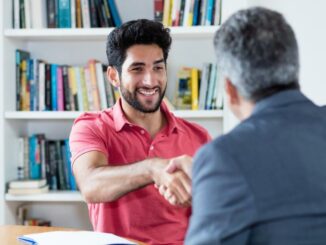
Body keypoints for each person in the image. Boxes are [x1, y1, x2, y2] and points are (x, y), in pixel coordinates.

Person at [165, 7, 326, 244]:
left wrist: (213, 177)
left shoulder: (224, 158)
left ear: (229, 89)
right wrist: (207, 183)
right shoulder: (222, 163)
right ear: (293, 70)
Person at [69, 19, 211, 244]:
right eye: (137, 69)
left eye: (158, 67)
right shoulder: (91, 127)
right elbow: (90, 185)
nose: (150, 80)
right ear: (113, 76)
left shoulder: (199, 137)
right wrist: (153, 168)